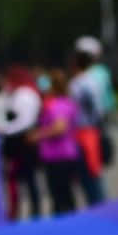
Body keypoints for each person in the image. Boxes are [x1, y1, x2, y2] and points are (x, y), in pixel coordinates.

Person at [0, 66, 44, 218]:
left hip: (23, 141)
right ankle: (14, 212)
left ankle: (34, 212)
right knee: (13, 180)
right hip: (13, 141)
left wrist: (5, 129)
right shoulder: (7, 95)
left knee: (28, 179)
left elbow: (25, 120)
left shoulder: (26, 95)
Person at [29, 69, 81, 214]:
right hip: (62, 155)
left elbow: (59, 128)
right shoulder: (66, 103)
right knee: (64, 196)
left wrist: (38, 135)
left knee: (61, 197)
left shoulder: (58, 105)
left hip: (59, 156)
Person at [69, 50, 106, 204]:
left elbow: (95, 108)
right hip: (87, 129)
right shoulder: (91, 80)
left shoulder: (82, 82)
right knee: (88, 172)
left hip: (86, 130)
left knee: (90, 171)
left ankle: (98, 205)